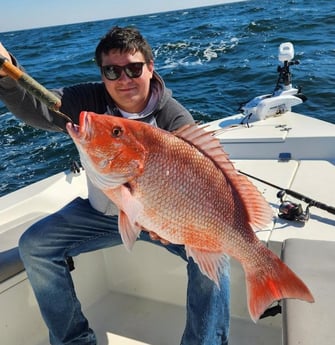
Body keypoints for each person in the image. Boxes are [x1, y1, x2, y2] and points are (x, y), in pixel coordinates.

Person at [0, 26, 230, 345]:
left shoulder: (174, 119)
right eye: (112, 70)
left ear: (150, 67)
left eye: (134, 68)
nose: (124, 79)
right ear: (102, 74)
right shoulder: (87, 102)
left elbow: (203, 178)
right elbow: (37, 107)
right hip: (100, 214)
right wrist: (5, 68)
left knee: (215, 254)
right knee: (34, 245)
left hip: (163, 218)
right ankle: (74, 341)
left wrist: (172, 221)